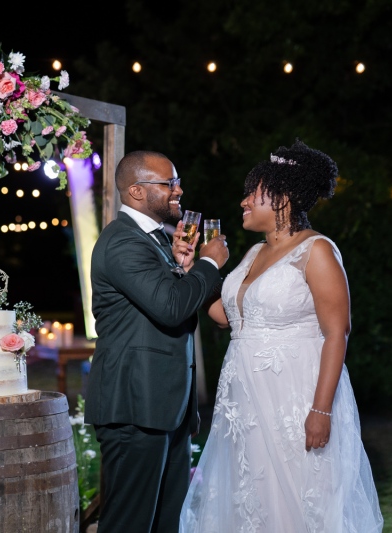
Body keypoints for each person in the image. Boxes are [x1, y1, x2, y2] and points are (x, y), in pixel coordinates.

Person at [180, 140, 384, 532]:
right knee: (251, 494)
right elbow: (227, 317)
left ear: (283, 199)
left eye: (252, 194)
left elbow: (337, 332)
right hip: (244, 401)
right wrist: (193, 270)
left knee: (294, 494)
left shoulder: (317, 250)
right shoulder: (254, 253)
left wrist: (320, 411)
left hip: (292, 394)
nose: (242, 202)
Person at [85, 150, 230, 532]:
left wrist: (183, 270)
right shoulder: (122, 243)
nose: (179, 189)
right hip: (134, 407)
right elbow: (170, 308)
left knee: (168, 521)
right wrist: (208, 263)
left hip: (165, 408)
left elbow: (168, 307)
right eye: (169, 183)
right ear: (136, 191)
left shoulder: (153, 241)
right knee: (129, 523)